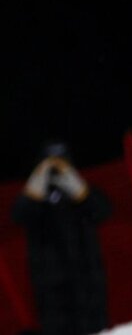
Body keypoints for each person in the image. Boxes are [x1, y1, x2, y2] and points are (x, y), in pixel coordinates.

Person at [10, 140, 112, 335]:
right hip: (50, 283)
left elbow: (101, 211)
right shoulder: (35, 196)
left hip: (87, 277)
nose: (56, 169)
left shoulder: (80, 192)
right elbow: (19, 215)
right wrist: (38, 181)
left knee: (94, 326)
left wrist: (78, 188)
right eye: (51, 162)